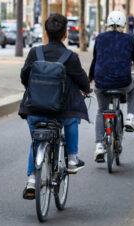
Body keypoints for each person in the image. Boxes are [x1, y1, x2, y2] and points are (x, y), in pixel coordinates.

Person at [19, 14, 90, 200]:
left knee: (35, 141)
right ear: (65, 34)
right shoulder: (71, 57)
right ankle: (73, 158)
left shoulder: (35, 52)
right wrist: (87, 90)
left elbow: (24, 77)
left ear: (46, 32)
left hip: (34, 110)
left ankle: (32, 181)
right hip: (61, 112)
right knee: (72, 121)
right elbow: (83, 81)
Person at [89, 10, 134, 162]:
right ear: (123, 25)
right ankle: (129, 118)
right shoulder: (129, 39)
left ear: (107, 24)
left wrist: (90, 77)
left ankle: (99, 146)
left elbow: (96, 59)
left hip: (102, 82)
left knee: (102, 110)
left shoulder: (100, 38)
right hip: (123, 81)